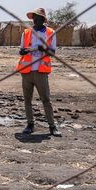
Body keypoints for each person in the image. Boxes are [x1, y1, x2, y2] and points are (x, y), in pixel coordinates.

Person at [17, 7, 61, 137]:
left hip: (41, 71)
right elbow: (21, 50)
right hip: (27, 71)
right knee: (27, 99)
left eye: (37, 18)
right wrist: (24, 51)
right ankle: (30, 124)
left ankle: (52, 126)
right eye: (33, 18)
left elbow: (52, 52)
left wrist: (43, 48)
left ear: (43, 19)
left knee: (46, 99)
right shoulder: (26, 33)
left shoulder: (50, 32)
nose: (34, 20)